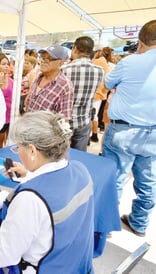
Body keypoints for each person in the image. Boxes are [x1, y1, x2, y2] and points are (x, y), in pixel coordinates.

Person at [0, 111, 94, 273]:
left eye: (18, 147)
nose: (17, 152)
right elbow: (55, 191)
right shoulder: (81, 170)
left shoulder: (29, 199)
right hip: (77, 265)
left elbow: (2, 255)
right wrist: (30, 175)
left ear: (33, 151)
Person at [102, 19, 156, 237]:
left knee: (114, 179)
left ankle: (108, 225)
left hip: (122, 131)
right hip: (152, 133)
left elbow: (107, 83)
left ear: (140, 41)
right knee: (148, 181)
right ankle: (140, 222)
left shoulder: (130, 62)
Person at [62, 36, 103, 151]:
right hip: (84, 119)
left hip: (64, 121)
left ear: (74, 48)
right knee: (79, 155)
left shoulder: (64, 69)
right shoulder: (99, 71)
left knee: (60, 155)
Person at [26, 45, 74, 121]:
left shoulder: (65, 85)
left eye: (49, 59)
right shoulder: (39, 77)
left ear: (60, 63)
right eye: (43, 57)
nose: (43, 61)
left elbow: (64, 120)